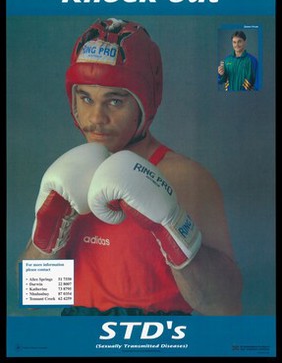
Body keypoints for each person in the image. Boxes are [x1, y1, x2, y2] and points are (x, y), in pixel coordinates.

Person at [19, 18, 242, 316]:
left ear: (145, 103)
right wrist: (48, 236)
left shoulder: (186, 178)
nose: (95, 119)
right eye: (85, 98)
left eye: (114, 102)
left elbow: (223, 306)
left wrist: (173, 231)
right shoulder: (68, 175)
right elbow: (38, 298)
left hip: (157, 343)